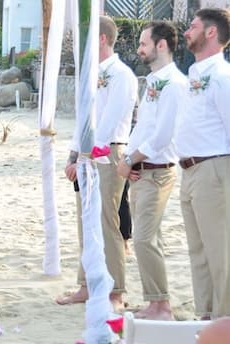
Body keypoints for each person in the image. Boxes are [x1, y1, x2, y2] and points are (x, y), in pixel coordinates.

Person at [57, 16, 138, 310]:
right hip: (86, 155)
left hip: (108, 152)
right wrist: (74, 155)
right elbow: (82, 119)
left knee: (106, 223)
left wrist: (85, 155)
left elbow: (110, 120)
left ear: (101, 39)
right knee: (84, 222)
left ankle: (116, 290)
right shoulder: (88, 74)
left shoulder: (121, 75)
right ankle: (86, 284)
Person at [116, 21, 186, 321]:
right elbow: (143, 126)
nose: (139, 49)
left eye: (144, 43)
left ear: (161, 45)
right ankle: (155, 302)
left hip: (157, 172)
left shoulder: (174, 84)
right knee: (148, 239)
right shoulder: (155, 80)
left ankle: (161, 305)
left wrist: (129, 158)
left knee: (143, 239)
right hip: (142, 171)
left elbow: (162, 136)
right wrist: (131, 161)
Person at [175, 7, 230, 319]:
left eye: (192, 26)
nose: (186, 31)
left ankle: (224, 323)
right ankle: (205, 317)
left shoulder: (222, 77)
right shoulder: (195, 74)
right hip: (190, 170)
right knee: (199, 254)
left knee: (221, 253)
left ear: (211, 32)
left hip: (214, 169)